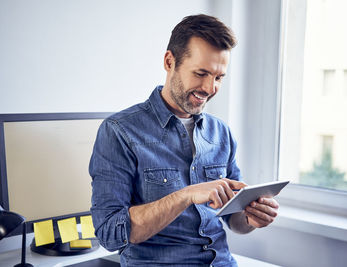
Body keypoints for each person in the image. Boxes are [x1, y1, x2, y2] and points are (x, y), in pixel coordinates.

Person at [89, 14, 279, 267]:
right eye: (201, 73)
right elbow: (110, 234)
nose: (210, 88)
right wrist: (185, 195)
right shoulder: (119, 131)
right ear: (170, 62)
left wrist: (251, 219)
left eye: (219, 77)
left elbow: (233, 220)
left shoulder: (221, 133)